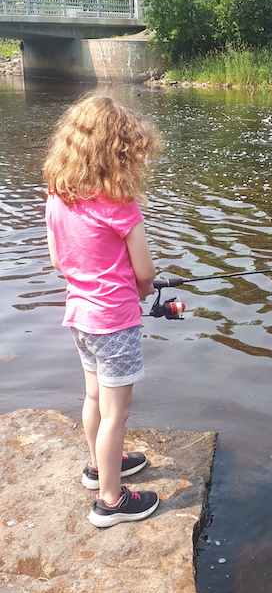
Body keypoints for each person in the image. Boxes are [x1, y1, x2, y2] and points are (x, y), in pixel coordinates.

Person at [44, 95, 163, 528]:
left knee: (94, 397)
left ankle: (98, 467)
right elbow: (146, 273)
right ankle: (111, 502)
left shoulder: (57, 198)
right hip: (114, 321)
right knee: (117, 412)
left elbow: (60, 263)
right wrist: (144, 287)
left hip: (79, 317)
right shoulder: (121, 206)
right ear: (120, 152)